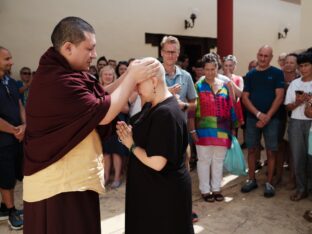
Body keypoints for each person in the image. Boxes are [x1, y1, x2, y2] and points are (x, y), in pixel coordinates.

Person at [23, 16, 158, 234]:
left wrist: (125, 78)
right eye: (90, 48)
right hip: (58, 183)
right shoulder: (58, 81)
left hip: (73, 177)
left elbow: (99, 98)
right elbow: (102, 114)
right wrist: (131, 78)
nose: (94, 55)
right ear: (68, 48)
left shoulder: (67, 73)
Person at [116, 57, 194, 234]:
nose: (136, 89)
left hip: (162, 194)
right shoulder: (154, 105)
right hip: (152, 191)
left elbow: (157, 162)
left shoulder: (166, 113)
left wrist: (131, 144)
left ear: (153, 81)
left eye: (138, 84)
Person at [189, 53, 238, 202]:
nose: (210, 72)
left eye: (213, 68)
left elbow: (232, 107)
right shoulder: (197, 85)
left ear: (218, 68)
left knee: (218, 160)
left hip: (223, 130)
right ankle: (205, 190)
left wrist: (233, 129)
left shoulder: (225, 85)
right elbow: (191, 111)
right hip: (203, 130)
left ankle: (216, 188)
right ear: (203, 70)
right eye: (207, 69)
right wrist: (192, 130)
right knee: (204, 160)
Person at [241, 45, 285, 198]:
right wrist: (259, 115)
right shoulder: (251, 74)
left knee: (271, 151)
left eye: (266, 56)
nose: (262, 58)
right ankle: (251, 179)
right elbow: (245, 97)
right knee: (252, 149)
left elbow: (279, 96)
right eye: (260, 55)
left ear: (271, 57)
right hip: (253, 118)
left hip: (273, 119)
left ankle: (269, 183)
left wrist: (267, 117)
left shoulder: (277, 73)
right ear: (257, 55)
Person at [0, 46, 24, 230]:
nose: (11, 62)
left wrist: (25, 126)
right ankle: (11, 212)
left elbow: (19, 105)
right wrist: (14, 130)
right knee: (5, 178)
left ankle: (3, 206)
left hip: (16, 138)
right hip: (3, 141)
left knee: (13, 175)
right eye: (7, 59)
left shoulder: (10, 81)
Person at [284, 50, 312, 201]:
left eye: (307, 65)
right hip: (296, 122)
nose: (303, 69)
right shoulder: (295, 83)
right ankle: (302, 189)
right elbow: (287, 107)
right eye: (301, 66)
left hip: (311, 125)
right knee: (298, 157)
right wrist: (298, 102)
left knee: (311, 159)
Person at [99, 65, 129, 188]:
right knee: (105, 153)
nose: (108, 76)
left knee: (117, 152)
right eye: (105, 74)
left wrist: (112, 101)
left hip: (117, 124)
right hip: (103, 125)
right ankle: (106, 177)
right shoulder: (97, 89)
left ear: (114, 76)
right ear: (101, 76)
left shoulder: (120, 89)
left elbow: (126, 109)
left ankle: (117, 177)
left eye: (110, 74)